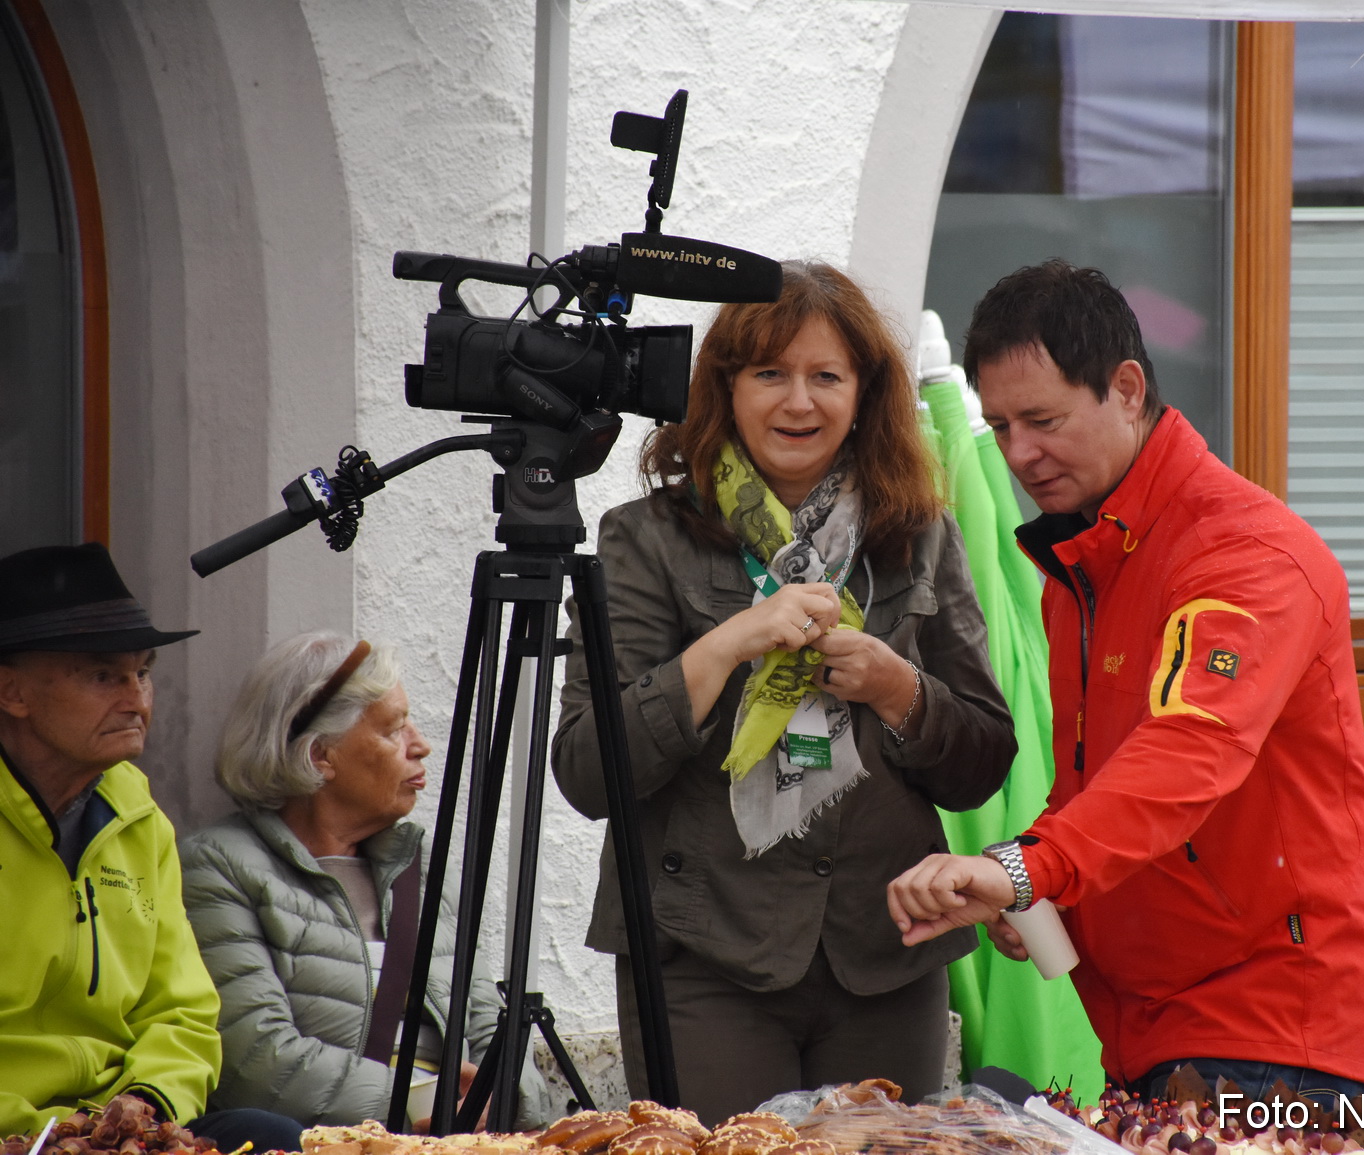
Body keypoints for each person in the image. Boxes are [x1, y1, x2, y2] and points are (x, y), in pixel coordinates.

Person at [885, 261, 1364, 1105]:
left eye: (1043, 420)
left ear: (1128, 389)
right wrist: (1045, 890)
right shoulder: (1081, 564)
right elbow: (1096, 789)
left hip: (1272, 1036)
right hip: (1150, 1030)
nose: (1018, 453)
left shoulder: (1245, 554)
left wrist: (1030, 868)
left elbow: (1187, 754)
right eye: (1001, 425)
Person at [551, 260, 1017, 1123]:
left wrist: (900, 690)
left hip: (886, 952)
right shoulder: (645, 538)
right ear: (725, 389)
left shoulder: (919, 534)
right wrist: (728, 644)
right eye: (769, 373)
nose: (798, 401)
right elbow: (588, 767)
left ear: (864, 393)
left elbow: (983, 761)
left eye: (825, 376)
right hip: (704, 956)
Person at [178, 631, 557, 1128]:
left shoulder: (424, 869)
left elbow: (494, 1033)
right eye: (394, 729)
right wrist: (419, 1106)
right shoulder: (220, 867)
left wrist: (501, 1101)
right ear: (320, 755)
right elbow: (258, 1062)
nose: (420, 746)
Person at [0, 543, 300, 1151]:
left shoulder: (138, 817)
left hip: (110, 1121)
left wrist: (142, 1109)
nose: (137, 699)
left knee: (269, 1136)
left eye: (143, 672)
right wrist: (44, 1136)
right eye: (102, 675)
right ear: (12, 692)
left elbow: (182, 1013)